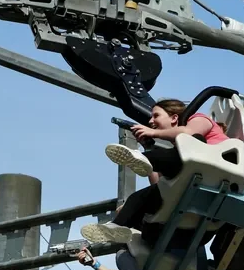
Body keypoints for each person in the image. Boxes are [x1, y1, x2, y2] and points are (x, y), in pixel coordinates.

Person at [82, 98, 228, 245]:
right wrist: (149, 148)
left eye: (156, 116)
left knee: (192, 142)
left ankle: (145, 158)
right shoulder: (178, 152)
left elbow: (188, 132)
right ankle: (117, 226)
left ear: (174, 117)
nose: (151, 121)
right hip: (193, 198)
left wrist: (152, 133)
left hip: (217, 168)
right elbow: (159, 184)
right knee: (138, 198)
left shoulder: (200, 119)